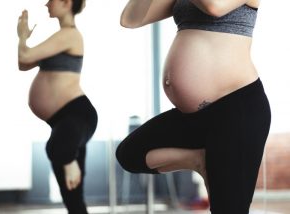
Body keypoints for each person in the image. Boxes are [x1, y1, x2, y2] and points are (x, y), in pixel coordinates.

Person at [116, 0, 271, 213]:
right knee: (130, 153)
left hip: (236, 109)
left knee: (228, 209)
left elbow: (214, 7)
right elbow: (130, 19)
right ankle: (198, 160)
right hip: (194, 117)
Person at [17, 0, 97, 213]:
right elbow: (23, 64)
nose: (46, 4)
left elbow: (24, 55)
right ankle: (68, 159)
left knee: (57, 149)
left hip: (77, 115)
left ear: (66, 2)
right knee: (72, 197)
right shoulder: (61, 37)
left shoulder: (69, 35)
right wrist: (23, 38)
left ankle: (68, 159)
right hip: (65, 119)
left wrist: (23, 35)